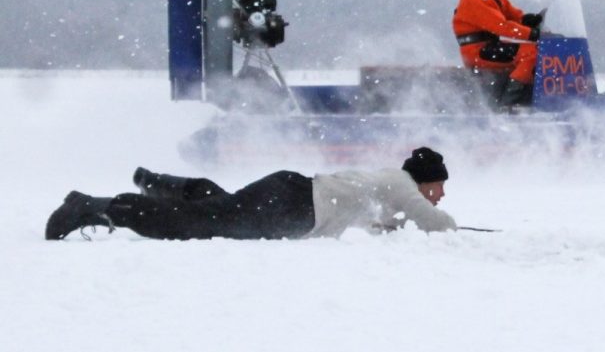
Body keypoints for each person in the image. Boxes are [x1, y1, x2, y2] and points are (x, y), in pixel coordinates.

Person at [45, 147, 457, 241]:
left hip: (290, 194)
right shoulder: (401, 184)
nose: (439, 195)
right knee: (196, 224)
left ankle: (164, 183)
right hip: (292, 204)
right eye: (439, 186)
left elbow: (387, 223)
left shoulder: (384, 187)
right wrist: (454, 228)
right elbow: (436, 225)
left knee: (218, 208)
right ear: (425, 178)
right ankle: (93, 207)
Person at [452, 0, 544, 107]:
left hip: (489, 46)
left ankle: (527, 96)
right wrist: (533, 34)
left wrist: (533, 20)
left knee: (532, 50)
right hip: (477, 51)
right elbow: (502, 26)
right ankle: (508, 104)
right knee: (531, 54)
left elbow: (513, 15)